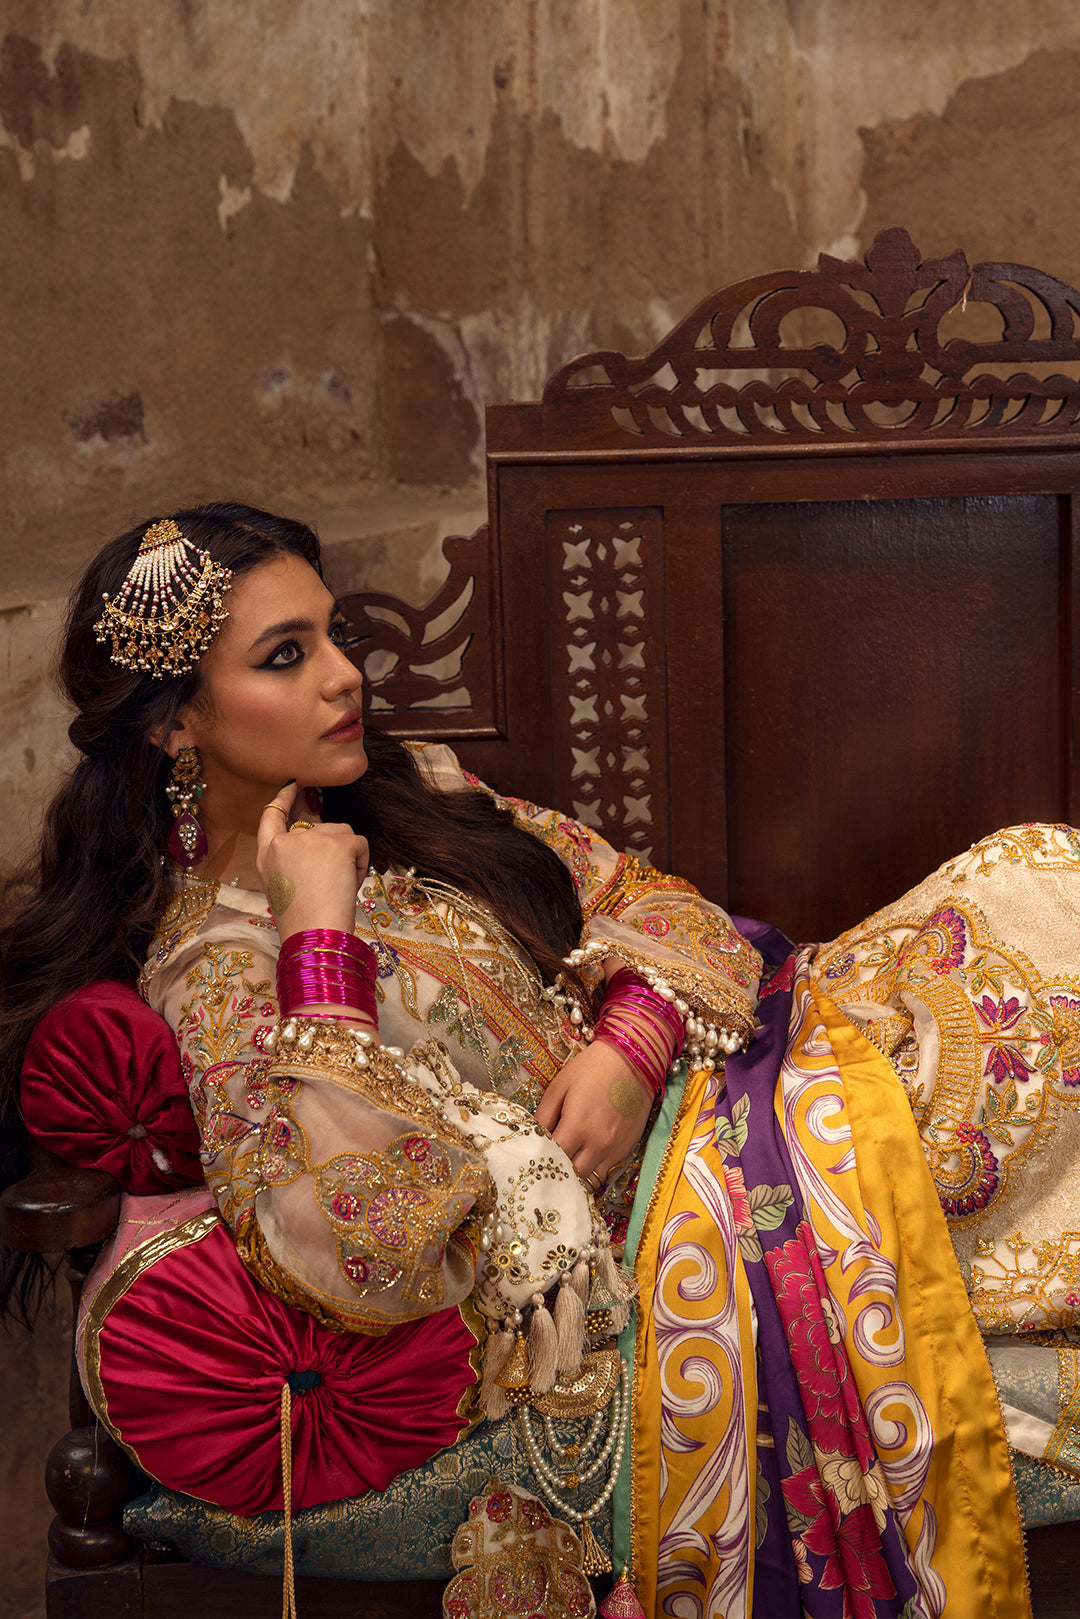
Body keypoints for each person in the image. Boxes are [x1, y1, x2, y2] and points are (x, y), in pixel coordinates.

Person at [0, 503, 1044, 1618]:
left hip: (730, 1074)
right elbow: (358, 1245)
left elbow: (655, 903)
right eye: (284, 656)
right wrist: (319, 937)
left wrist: (632, 1043)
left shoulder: (418, 790)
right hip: (681, 1206)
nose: (345, 675)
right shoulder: (214, 969)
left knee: (1034, 870)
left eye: (334, 633)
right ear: (175, 724)